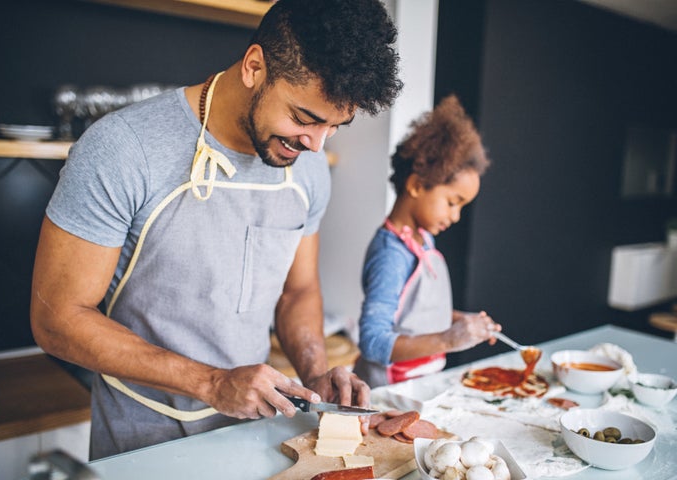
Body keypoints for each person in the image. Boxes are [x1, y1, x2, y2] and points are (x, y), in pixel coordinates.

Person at [30, 0, 402, 459]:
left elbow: (297, 292)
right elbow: (57, 319)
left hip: (256, 436)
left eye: (335, 127)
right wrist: (212, 382)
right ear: (253, 67)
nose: (316, 144)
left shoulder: (308, 170)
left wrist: (316, 371)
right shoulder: (123, 149)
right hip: (142, 441)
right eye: (305, 118)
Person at [353, 95, 500, 388]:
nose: (455, 216)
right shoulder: (391, 255)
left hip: (418, 385)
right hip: (387, 392)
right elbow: (373, 342)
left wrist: (461, 322)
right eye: (452, 202)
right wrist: (448, 339)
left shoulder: (424, 240)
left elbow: (414, 314)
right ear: (417, 185)